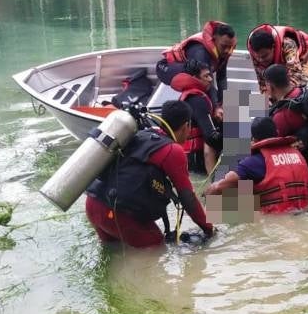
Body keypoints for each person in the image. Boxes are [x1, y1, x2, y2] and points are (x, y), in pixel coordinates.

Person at [84, 100, 214, 248]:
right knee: (156, 250)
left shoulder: (142, 134)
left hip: (93, 203)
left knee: (115, 255)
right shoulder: (173, 150)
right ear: (186, 126)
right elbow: (187, 198)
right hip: (119, 215)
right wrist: (209, 229)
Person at [205, 117, 308, 213]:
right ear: (277, 132)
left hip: (276, 219)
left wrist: (205, 198)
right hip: (306, 212)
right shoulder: (298, 154)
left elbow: (217, 188)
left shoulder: (253, 162)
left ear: (253, 139)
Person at [263, 64, 308, 183]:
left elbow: (269, 147)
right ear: (288, 78)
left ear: (270, 86)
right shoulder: (303, 92)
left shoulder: (282, 115)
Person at [156, 21, 237, 114]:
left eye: (230, 47)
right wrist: (216, 108)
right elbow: (209, 83)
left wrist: (223, 103)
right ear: (214, 40)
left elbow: (221, 77)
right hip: (166, 68)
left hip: (195, 70)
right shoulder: (200, 52)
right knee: (201, 81)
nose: (227, 51)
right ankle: (189, 110)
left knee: (221, 97)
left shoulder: (224, 50)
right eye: (224, 46)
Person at [176, 60, 222, 174]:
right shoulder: (197, 100)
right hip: (197, 162)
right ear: (194, 78)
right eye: (206, 76)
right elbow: (211, 138)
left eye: (210, 75)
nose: (210, 79)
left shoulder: (190, 94)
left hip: (192, 159)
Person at [247, 24, 308, 94]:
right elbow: (262, 82)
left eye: (264, 56)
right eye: (258, 57)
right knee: (268, 97)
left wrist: (281, 97)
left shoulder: (288, 44)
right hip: (282, 62)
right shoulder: (254, 51)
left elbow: (296, 75)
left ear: (273, 47)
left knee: (300, 85)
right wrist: (267, 99)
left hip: (305, 58)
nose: (260, 60)